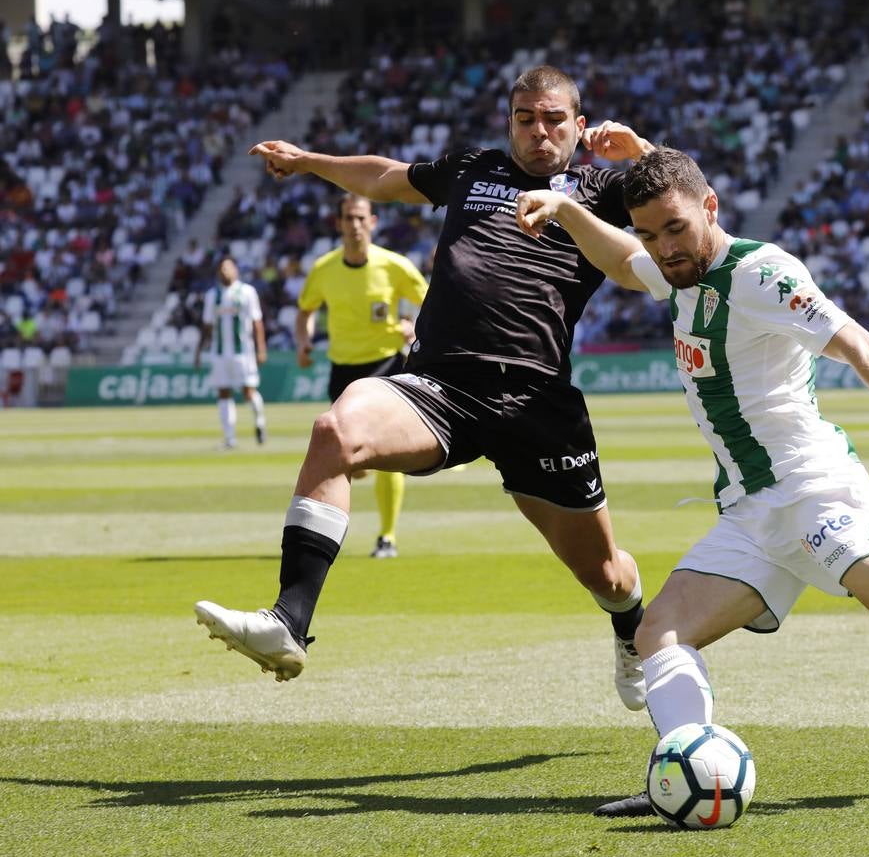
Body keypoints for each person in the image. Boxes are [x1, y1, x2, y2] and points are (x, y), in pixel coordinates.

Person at [513, 148, 869, 817]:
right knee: (658, 637)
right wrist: (563, 207)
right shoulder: (678, 271)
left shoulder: (762, 273)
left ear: (710, 210)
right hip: (749, 510)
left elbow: (861, 347)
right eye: (650, 234)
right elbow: (621, 261)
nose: (662, 249)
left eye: (673, 229)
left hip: (813, 490)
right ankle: (682, 772)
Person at [193, 66, 656, 711]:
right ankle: (288, 621)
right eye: (526, 118)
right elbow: (385, 177)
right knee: (336, 431)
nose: (540, 131)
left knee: (605, 573)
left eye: (554, 119)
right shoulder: (475, 168)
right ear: (510, 122)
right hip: (440, 385)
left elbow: (691, 219)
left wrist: (647, 155)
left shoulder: (602, 188)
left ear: (580, 126)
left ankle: (631, 626)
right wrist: (307, 161)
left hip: (536, 400)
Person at [296, 194, 428, 559]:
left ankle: (387, 537)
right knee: (348, 459)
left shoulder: (394, 266)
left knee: (390, 455)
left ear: (372, 222)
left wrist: (416, 327)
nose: (354, 225)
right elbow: (305, 310)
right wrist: (304, 342)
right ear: (339, 224)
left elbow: (434, 302)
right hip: (344, 371)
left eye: (360, 218)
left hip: (387, 366)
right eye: (348, 219)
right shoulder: (324, 269)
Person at [193, 256, 267, 449]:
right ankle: (230, 438)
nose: (224, 271)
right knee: (223, 393)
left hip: (243, 352)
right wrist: (199, 351)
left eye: (228, 267)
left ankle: (259, 421)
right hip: (219, 353)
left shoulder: (247, 292)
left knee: (248, 391)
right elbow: (207, 325)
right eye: (221, 268)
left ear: (236, 270)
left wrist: (261, 348)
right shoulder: (212, 295)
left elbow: (257, 322)